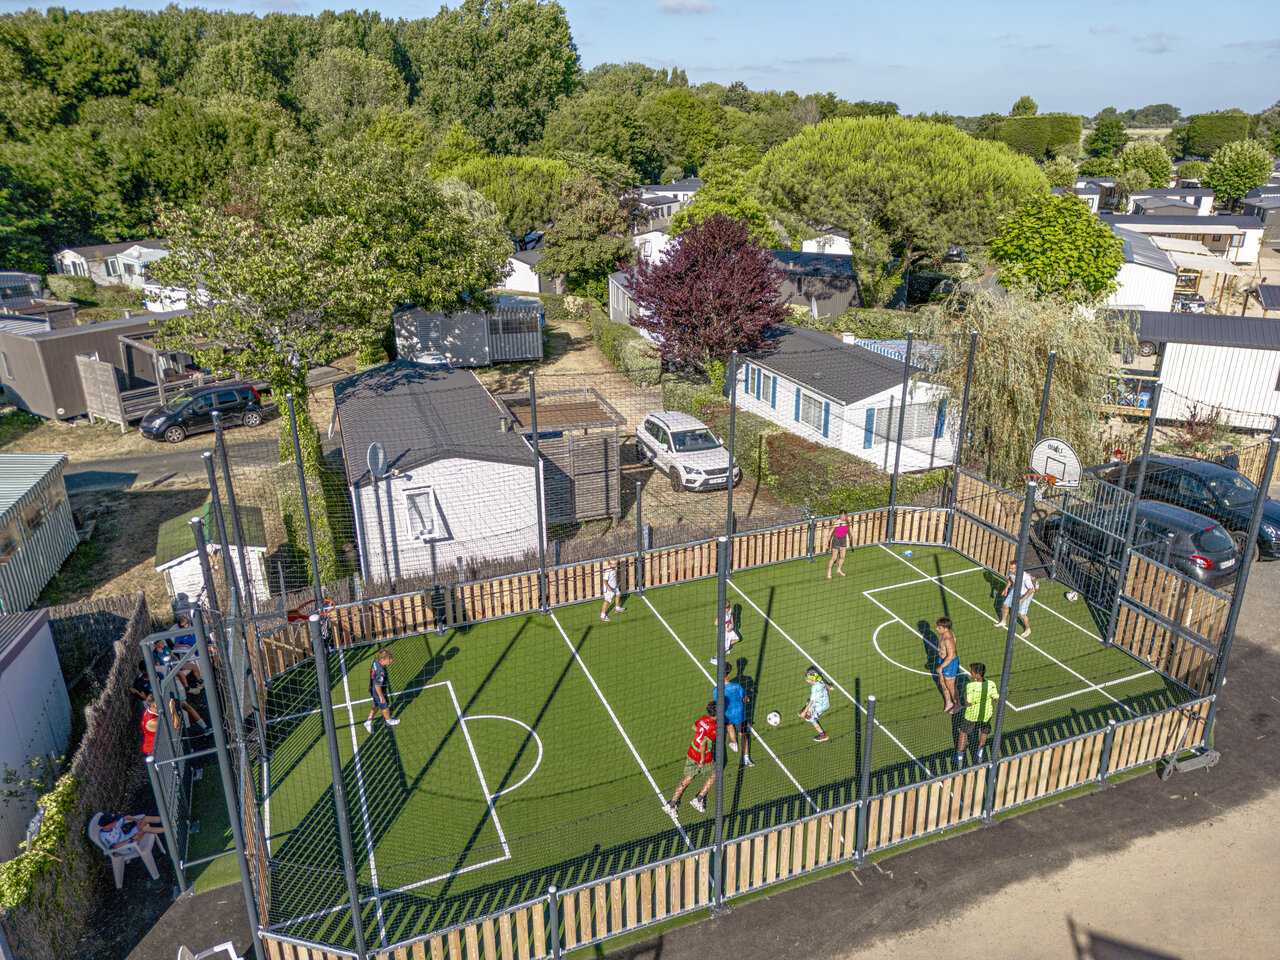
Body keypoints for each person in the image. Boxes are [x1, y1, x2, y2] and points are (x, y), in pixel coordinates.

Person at [664, 703, 718, 819]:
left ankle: (672, 804)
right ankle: (699, 798)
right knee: (715, 774)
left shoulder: (703, 718)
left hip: (692, 752)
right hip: (703, 756)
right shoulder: (713, 727)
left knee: (688, 778)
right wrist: (702, 759)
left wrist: (700, 733)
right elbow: (703, 743)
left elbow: (694, 727)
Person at [956, 662, 999, 766]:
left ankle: (960, 758)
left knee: (963, 732)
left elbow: (968, 703)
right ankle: (979, 754)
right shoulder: (991, 684)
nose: (970, 673)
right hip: (986, 714)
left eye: (972, 672)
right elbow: (997, 699)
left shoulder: (970, 686)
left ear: (976, 673)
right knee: (984, 731)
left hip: (972, 715)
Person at [712, 678, 754, 766]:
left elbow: (717, 703)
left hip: (727, 714)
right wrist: (745, 700)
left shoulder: (717, 690)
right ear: (728, 674)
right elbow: (746, 698)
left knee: (729, 727)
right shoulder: (736, 686)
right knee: (743, 735)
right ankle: (746, 758)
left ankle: (734, 744)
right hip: (739, 714)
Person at [995, 562, 1037, 639]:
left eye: (1012, 568)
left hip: (1026, 593)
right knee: (1005, 605)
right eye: (1010, 568)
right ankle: (1003, 621)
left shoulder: (1024, 577)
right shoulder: (1010, 572)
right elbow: (1010, 579)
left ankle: (1028, 629)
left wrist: (1022, 600)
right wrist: (1006, 588)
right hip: (1016, 590)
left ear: (1017, 568)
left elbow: (1031, 590)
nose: (1010, 570)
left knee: (1021, 614)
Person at [363, 649, 401, 733]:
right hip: (378, 691)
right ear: (383, 660)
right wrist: (381, 696)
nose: (391, 660)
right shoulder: (381, 671)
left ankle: (368, 721)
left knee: (376, 705)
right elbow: (377, 685)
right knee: (384, 705)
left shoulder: (376, 661)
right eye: (389, 659)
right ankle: (388, 721)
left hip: (372, 687)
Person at [935, 617, 962, 715]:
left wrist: (941, 667)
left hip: (950, 664)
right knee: (942, 683)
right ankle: (949, 703)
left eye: (939, 627)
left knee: (950, 686)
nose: (937, 629)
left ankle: (958, 704)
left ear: (945, 628)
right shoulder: (943, 634)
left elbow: (951, 656)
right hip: (942, 660)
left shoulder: (948, 639)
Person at [798, 667, 833, 742]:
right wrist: (829, 687)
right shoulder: (819, 679)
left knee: (813, 720)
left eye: (807, 679)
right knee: (808, 703)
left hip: (821, 706)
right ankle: (807, 716)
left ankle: (823, 735)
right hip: (821, 701)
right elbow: (823, 682)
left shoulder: (815, 688)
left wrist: (804, 711)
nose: (806, 680)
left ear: (811, 680)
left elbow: (811, 701)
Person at [99, 813, 164, 850]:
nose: (116, 822)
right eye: (114, 821)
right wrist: (131, 839)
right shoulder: (105, 837)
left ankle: (166, 820)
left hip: (129, 837)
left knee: (145, 819)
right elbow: (115, 846)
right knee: (144, 829)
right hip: (127, 846)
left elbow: (127, 817)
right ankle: (165, 830)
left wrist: (136, 820)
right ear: (108, 824)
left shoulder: (113, 826)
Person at [709, 600, 740, 667]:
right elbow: (716, 623)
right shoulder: (720, 614)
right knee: (724, 648)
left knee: (737, 639)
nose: (727, 610)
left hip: (729, 629)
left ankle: (727, 647)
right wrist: (725, 629)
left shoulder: (729, 610)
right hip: (722, 632)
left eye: (728, 608)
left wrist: (732, 623)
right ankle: (714, 658)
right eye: (726, 609)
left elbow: (731, 616)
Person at [827, 510, 851, 579]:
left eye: (844, 516)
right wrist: (827, 543)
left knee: (843, 556)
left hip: (843, 540)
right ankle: (829, 572)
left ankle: (839, 569)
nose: (843, 517)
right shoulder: (836, 523)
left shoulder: (847, 522)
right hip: (836, 540)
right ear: (839, 516)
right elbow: (830, 533)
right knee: (834, 558)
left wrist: (853, 539)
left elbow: (851, 531)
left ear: (846, 516)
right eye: (841, 516)